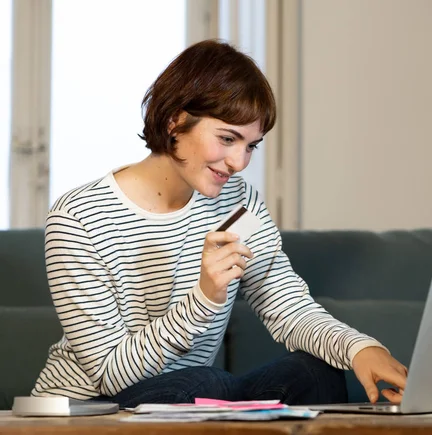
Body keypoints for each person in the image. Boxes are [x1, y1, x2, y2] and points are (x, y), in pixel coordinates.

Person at [32, 39, 407, 408]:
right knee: (208, 383)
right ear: (174, 120)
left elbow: (288, 306)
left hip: (192, 402)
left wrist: (360, 349)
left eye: (250, 145)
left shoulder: (239, 203)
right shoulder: (78, 217)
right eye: (227, 138)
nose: (239, 162)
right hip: (89, 409)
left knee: (313, 373)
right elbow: (109, 374)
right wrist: (203, 299)